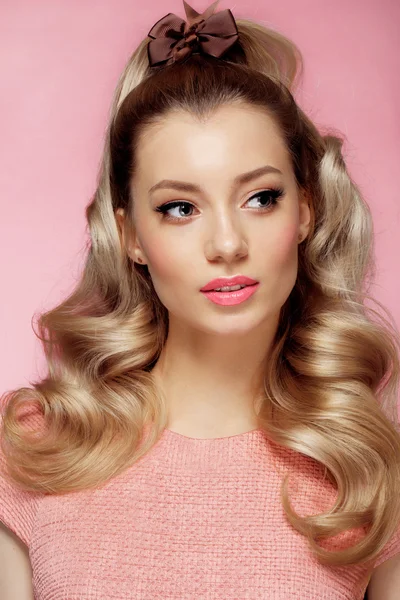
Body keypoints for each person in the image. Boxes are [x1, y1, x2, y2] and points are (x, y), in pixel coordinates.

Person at [1, 1, 400, 598]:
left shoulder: (367, 470)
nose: (227, 244)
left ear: (306, 210)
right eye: (179, 208)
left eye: (260, 198)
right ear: (132, 235)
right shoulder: (34, 447)